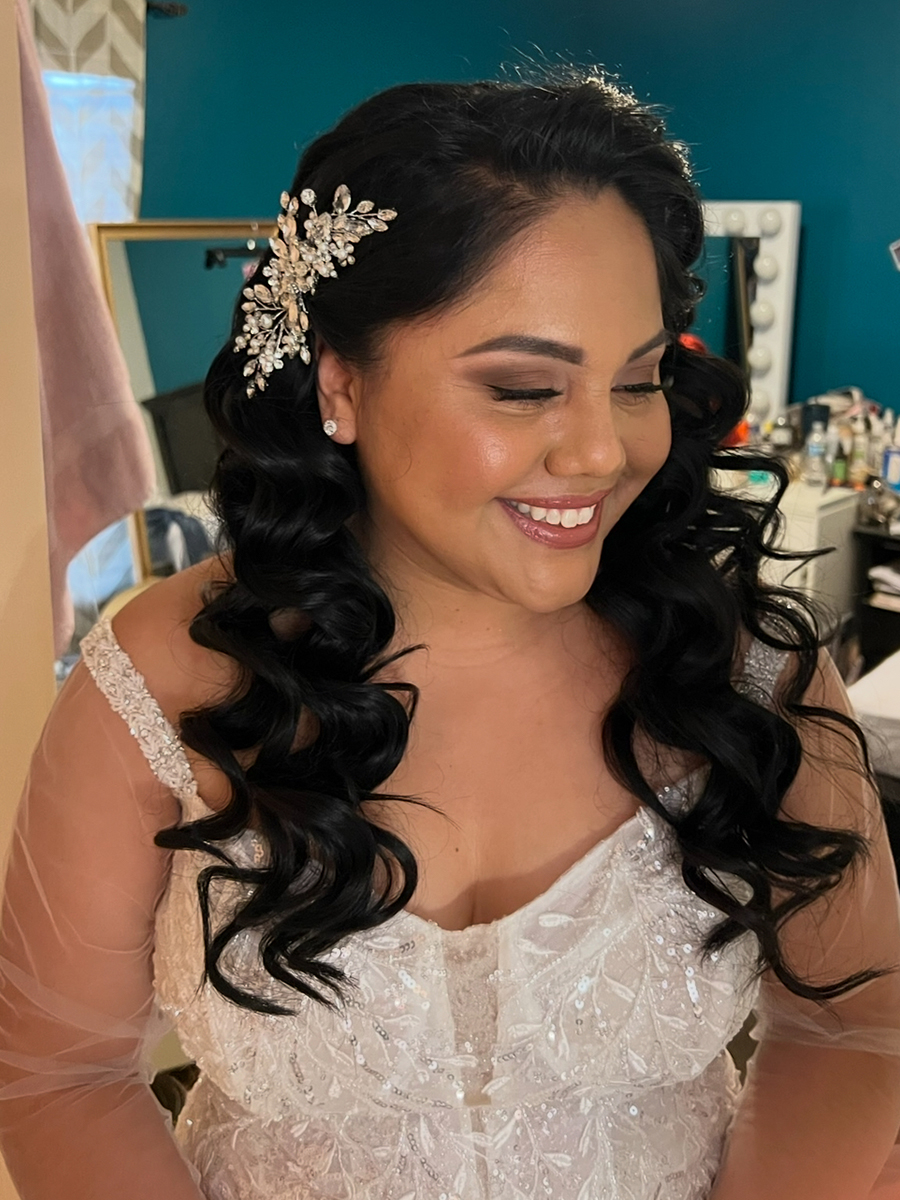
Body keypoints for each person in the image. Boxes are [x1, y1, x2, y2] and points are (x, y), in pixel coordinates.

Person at [1, 73, 900, 1200]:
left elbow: (856, 1024)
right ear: (340, 384)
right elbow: (58, 1076)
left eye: (638, 379)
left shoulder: (743, 666)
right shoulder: (161, 680)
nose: (603, 452)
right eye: (523, 388)